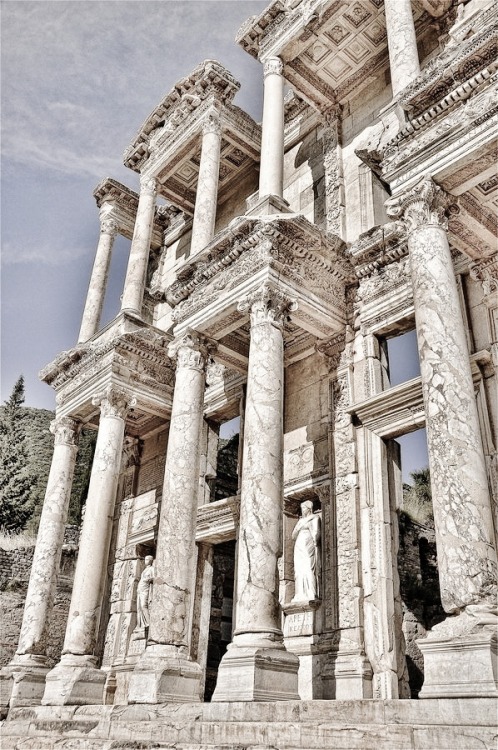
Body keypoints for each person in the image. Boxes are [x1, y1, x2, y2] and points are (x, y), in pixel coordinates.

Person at [291, 501, 321, 603]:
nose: (302, 510)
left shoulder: (315, 518)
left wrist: (311, 530)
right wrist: (298, 528)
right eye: (302, 508)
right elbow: (293, 536)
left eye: (304, 508)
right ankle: (299, 593)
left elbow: (317, 534)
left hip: (308, 543)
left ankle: (311, 592)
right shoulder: (300, 521)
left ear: (309, 509)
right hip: (299, 544)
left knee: (309, 566)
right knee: (299, 569)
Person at [136, 555, 154, 630]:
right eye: (145, 559)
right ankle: (142, 623)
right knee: (139, 607)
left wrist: (148, 579)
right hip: (141, 589)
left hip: (146, 589)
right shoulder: (145, 570)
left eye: (147, 559)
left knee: (144, 605)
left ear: (150, 560)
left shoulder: (152, 569)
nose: (145, 561)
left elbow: (154, 577)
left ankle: (149, 622)